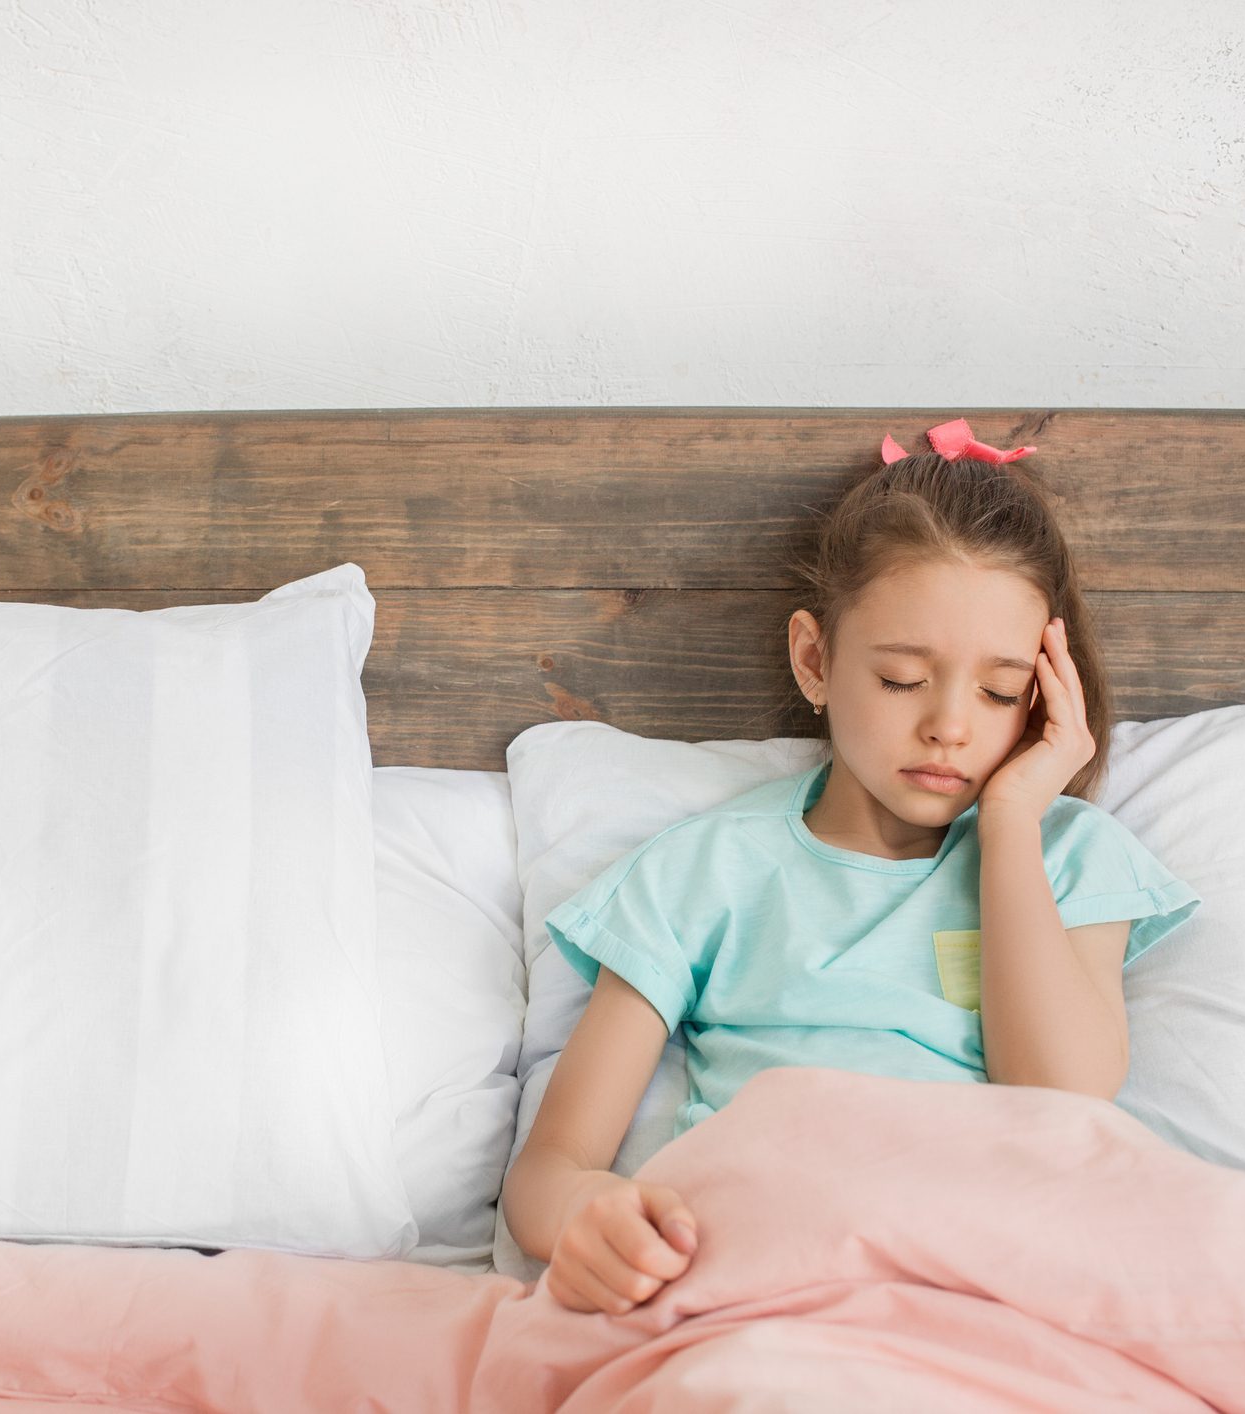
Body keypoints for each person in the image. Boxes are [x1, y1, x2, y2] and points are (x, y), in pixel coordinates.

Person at [498, 418, 1203, 1317]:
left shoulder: (1064, 855)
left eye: (996, 691)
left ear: (1042, 690)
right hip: (766, 1265)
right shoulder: (704, 872)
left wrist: (1011, 822)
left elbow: (1062, 1094)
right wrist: (584, 1213)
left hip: (983, 1273)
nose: (950, 724)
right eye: (903, 679)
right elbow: (551, 1166)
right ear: (815, 659)